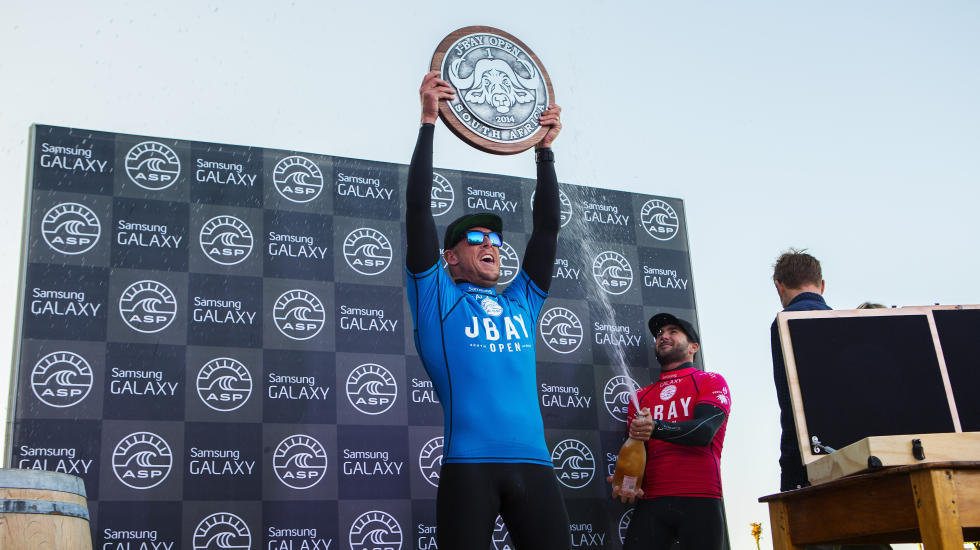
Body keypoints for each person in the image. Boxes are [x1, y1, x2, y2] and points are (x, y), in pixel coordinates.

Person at [405, 70, 568, 550]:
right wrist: (429, 121)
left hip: (537, 468)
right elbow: (418, 212)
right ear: (449, 257)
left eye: (496, 239)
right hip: (469, 469)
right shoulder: (438, 298)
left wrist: (545, 149)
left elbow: (547, 230)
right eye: (475, 239)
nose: (491, 245)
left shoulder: (522, 300)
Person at [611, 313, 731, 550]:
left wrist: (657, 426)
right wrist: (626, 483)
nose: (663, 336)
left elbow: (704, 430)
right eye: (659, 334)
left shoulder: (711, 381)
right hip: (652, 501)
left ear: (693, 347)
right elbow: (636, 453)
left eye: (673, 331)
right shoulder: (640, 397)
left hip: (701, 498)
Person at [770, 249, 829, 492]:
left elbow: (791, 398)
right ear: (822, 285)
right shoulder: (845, 321)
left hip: (802, 452)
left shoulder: (785, 320)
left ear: (779, 286)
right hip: (848, 451)